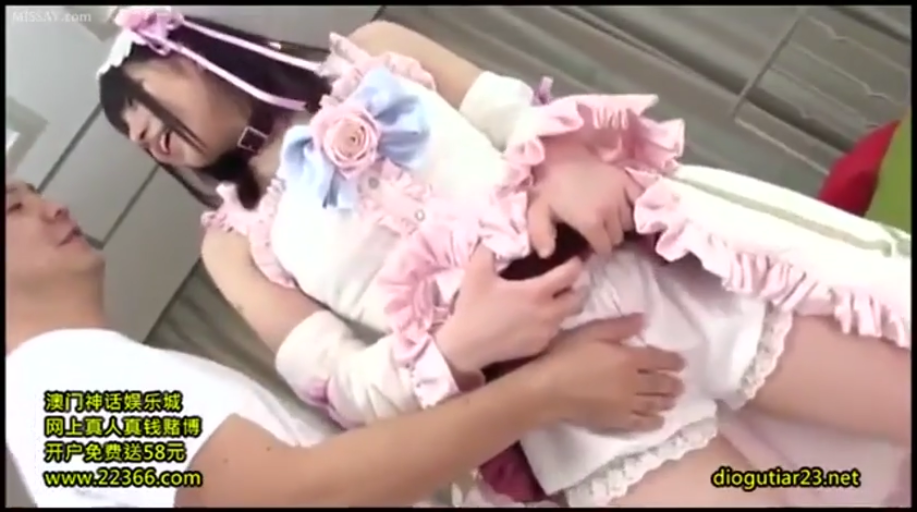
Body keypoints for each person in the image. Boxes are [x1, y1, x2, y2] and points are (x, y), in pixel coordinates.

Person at [96, 7, 911, 507]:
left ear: (185, 54)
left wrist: (568, 160)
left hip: (656, 284)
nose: (148, 141)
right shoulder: (232, 245)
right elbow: (344, 386)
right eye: (137, 142)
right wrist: (458, 346)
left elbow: (519, 115)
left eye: (144, 111)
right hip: (582, 419)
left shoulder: (372, 50)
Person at [4, 178, 687, 507]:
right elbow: (290, 499)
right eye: (13, 206)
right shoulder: (58, 396)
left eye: (32, 192)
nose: (53, 205)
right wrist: (544, 391)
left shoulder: (69, 381)